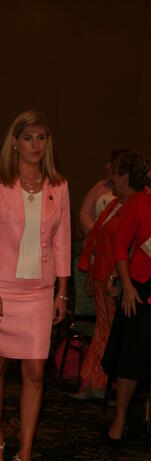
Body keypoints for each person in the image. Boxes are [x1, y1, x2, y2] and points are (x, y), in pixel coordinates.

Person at [0, 110, 71, 461]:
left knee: (34, 372)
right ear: (14, 141)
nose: (35, 145)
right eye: (28, 137)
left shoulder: (59, 185)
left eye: (42, 137)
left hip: (39, 291)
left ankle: (24, 455)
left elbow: (62, 240)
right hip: (1, 286)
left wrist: (63, 291)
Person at [72, 150, 147, 399]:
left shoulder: (138, 205)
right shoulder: (116, 203)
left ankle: (100, 384)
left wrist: (115, 276)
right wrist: (94, 275)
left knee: (110, 334)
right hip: (103, 275)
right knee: (105, 331)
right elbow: (100, 240)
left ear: (126, 177)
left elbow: (135, 248)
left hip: (118, 281)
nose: (110, 178)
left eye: (114, 173)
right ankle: (95, 383)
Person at [102, 155, 151, 445]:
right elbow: (121, 246)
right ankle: (119, 420)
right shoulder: (139, 203)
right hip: (139, 288)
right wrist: (127, 286)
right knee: (131, 359)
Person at [79, 160, 116, 237]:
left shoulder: (127, 191)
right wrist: (95, 232)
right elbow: (84, 213)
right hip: (96, 236)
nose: (107, 166)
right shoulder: (100, 187)